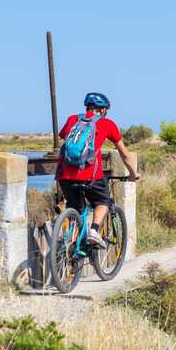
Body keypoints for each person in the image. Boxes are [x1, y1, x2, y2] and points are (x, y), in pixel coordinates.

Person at [57, 92, 139, 248]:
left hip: (65, 175)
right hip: (90, 176)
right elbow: (125, 154)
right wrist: (134, 174)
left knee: (75, 208)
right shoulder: (107, 124)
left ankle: (68, 245)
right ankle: (94, 231)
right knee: (102, 201)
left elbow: (65, 138)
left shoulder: (72, 119)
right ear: (102, 110)